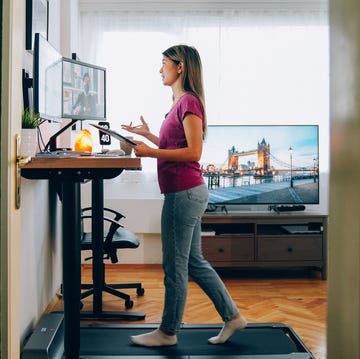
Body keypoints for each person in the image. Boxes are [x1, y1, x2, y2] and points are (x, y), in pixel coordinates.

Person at [121, 44, 247, 347]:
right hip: (186, 191)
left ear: (180, 67)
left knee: (174, 266)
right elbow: (175, 142)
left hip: (184, 192)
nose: (160, 69)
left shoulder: (189, 102)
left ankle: (167, 332)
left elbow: (193, 151)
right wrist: (149, 136)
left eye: (164, 63)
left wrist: (151, 152)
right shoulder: (179, 103)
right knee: (194, 262)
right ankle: (233, 317)